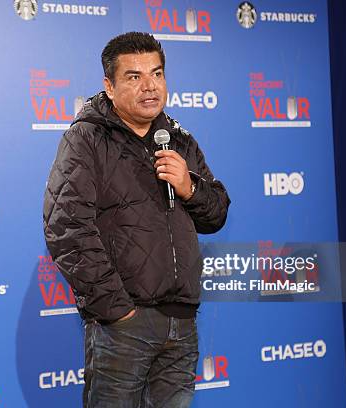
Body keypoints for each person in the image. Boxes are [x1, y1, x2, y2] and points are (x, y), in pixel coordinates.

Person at [43, 32, 230, 408]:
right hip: (123, 327)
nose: (150, 86)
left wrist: (189, 187)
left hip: (182, 323)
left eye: (157, 74)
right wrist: (118, 312)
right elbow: (66, 229)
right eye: (134, 76)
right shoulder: (87, 139)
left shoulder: (177, 139)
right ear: (109, 87)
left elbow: (217, 213)